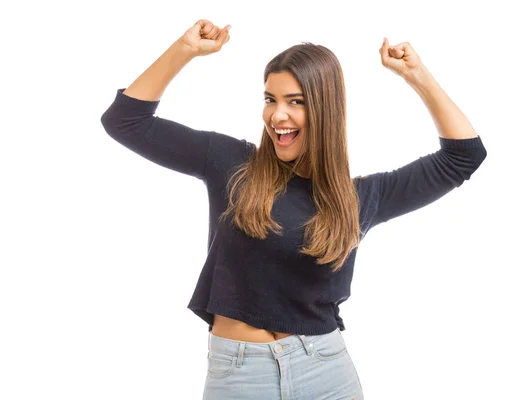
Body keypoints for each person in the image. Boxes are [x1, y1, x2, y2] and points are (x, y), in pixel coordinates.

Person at [101, 19, 487, 400]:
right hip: (238, 374)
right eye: (271, 99)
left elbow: (464, 156)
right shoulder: (230, 163)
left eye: (295, 102)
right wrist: (185, 49)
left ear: (325, 109)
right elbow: (125, 121)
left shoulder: (360, 198)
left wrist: (416, 76)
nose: (277, 116)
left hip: (326, 370)